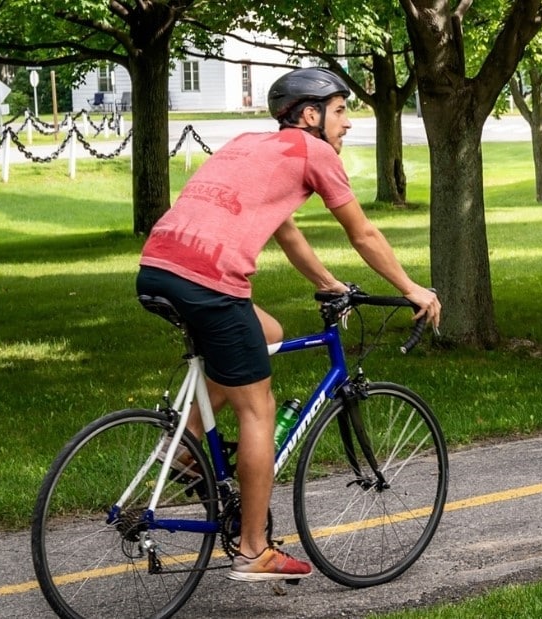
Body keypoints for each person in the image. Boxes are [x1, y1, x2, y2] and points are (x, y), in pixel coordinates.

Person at [134, 66, 440, 582]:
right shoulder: (313, 152)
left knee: (269, 332)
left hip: (157, 269)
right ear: (310, 115)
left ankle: (184, 447)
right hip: (211, 281)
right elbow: (362, 233)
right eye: (341, 111)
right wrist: (413, 289)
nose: (348, 123)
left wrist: (329, 283)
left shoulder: (251, 145)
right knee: (259, 409)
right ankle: (254, 550)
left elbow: (287, 234)